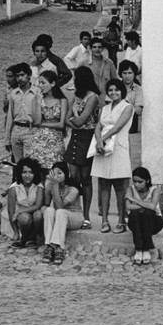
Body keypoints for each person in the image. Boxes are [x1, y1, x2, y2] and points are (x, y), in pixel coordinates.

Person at [91, 78, 134, 234]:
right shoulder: (105, 108)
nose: (113, 93)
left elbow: (118, 126)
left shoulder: (127, 107)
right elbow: (98, 126)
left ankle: (122, 221)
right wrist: (98, 140)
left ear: (122, 91)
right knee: (103, 185)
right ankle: (105, 220)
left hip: (119, 148)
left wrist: (102, 138)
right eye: (110, 90)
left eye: (116, 90)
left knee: (120, 186)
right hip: (102, 148)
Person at [64, 66, 101, 230]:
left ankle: (86, 215)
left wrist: (74, 120)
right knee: (74, 177)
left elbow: (80, 121)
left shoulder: (92, 97)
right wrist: (74, 121)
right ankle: (76, 211)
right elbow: (66, 119)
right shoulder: (75, 97)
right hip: (76, 137)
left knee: (86, 178)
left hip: (87, 137)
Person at [41, 161, 84, 265]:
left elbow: (60, 206)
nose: (57, 176)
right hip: (59, 218)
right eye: (54, 174)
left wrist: (55, 185)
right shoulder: (50, 185)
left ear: (66, 174)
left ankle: (58, 247)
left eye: (60, 173)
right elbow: (47, 204)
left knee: (60, 211)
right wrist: (48, 187)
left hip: (74, 217)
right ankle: (49, 246)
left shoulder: (73, 189)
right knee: (49, 210)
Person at [30, 70, 68, 172]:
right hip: (39, 141)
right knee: (39, 173)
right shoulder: (37, 100)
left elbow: (61, 124)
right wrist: (38, 102)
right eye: (39, 83)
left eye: (43, 83)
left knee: (55, 172)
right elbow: (37, 121)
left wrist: (42, 124)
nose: (40, 86)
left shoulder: (62, 101)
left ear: (53, 83)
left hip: (55, 142)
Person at [124, 166, 163, 265]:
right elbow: (128, 206)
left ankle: (145, 249)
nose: (136, 184)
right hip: (136, 222)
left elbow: (152, 206)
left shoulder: (155, 190)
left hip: (154, 223)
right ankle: (140, 249)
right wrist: (145, 206)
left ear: (147, 180)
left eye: (140, 182)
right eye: (135, 181)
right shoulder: (130, 189)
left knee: (148, 214)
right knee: (135, 213)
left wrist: (135, 201)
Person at [6, 157, 45, 247]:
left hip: (35, 211)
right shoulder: (14, 188)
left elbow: (38, 205)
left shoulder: (38, 186)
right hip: (23, 217)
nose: (27, 175)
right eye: (24, 172)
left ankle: (31, 237)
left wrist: (19, 211)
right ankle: (25, 236)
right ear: (20, 173)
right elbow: (10, 212)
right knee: (24, 219)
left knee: (38, 215)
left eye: (30, 172)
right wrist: (15, 232)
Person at [5, 62, 40, 162]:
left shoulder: (37, 92)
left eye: (22, 75)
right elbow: (10, 117)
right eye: (17, 76)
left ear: (29, 75)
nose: (20, 78)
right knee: (18, 164)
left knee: (30, 163)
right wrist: (7, 138)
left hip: (31, 130)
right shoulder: (13, 93)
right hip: (16, 131)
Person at [118, 59, 143, 171]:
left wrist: (123, 106)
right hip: (116, 126)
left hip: (132, 127)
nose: (127, 76)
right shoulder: (116, 87)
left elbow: (138, 109)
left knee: (131, 157)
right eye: (124, 73)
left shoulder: (138, 89)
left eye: (130, 73)